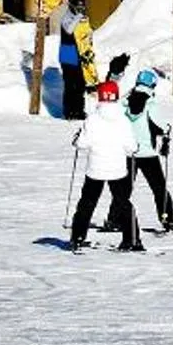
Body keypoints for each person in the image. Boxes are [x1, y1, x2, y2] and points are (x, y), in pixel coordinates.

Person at [67, 77, 145, 252]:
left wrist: (77, 138)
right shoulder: (123, 120)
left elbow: (82, 144)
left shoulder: (93, 119)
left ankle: (77, 238)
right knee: (123, 203)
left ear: (100, 96)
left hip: (96, 169)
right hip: (117, 169)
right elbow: (131, 148)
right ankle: (132, 239)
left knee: (87, 203)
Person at [125, 69, 173, 234]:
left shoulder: (124, 102)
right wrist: (167, 131)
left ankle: (115, 219)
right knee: (159, 188)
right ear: (152, 85)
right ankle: (167, 219)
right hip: (148, 153)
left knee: (123, 190)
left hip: (128, 152)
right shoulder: (150, 103)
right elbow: (159, 126)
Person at [56, 0, 94, 120]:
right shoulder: (66, 18)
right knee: (70, 84)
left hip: (79, 54)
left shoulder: (82, 18)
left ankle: (79, 110)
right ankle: (69, 111)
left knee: (80, 84)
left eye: (83, 7)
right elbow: (69, 29)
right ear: (72, 7)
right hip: (68, 55)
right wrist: (78, 16)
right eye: (78, 7)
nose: (81, 10)